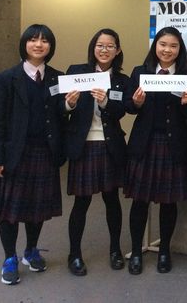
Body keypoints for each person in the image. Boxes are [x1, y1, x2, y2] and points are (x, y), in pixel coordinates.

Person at [0, 24, 67, 285]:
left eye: (44, 41)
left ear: (50, 46)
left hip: (44, 152)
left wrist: (69, 104)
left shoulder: (58, 78)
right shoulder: (6, 78)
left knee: (37, 208)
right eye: (33, 40)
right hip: (15, 154)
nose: (38, 45)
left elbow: (60, 115)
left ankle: (31, 250)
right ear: (24, 44)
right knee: (9, 210)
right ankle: (9, 257)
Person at [124, 27, 187, 275]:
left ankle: (164, 249)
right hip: (145, 144)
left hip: (173, 145)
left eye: (173, 46)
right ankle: (136, 251)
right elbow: (128, 107)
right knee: (140, 201)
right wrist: (136, 102)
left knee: (169, 202)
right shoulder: (140, 72)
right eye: (163, 44)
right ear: (155, 46)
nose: (167, 50)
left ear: (180, 50)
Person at [64, 28, 129, 276]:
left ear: (117, 50)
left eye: (110, 46)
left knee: (112, 200)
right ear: (93, 48)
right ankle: (74, 254)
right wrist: (69, 103)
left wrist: (105, 102)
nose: (104, 50)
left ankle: (115, 250)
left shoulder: (121, 80)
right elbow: (62, 107)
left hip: (110, 145)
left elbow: (122, 111)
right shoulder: (76, 72)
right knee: (81, 202)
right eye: (100, 45)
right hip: (84, 145)